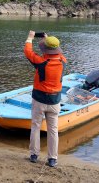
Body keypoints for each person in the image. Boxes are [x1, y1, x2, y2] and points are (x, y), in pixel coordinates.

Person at [23, 30, 67, 168]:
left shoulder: (41, 62)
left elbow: (28, 52)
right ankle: (52, 159)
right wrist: (47, 40)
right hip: (54, 102)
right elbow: (52, 52)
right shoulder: (62, 60)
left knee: (35, 126)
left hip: (39, 100)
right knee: (53, 130)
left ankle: (34, 155)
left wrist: (30, 38)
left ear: (46, 49)